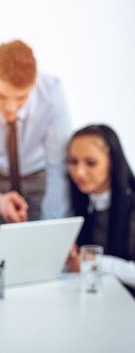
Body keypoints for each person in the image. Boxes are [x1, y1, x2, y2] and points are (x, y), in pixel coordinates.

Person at [0, 39, 71, 235]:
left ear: (34, 84)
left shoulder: (52, 93)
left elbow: (58, 168)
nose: (11, 108)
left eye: (21, 98)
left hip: (39, 178)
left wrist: (53, 231)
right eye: (1, 96)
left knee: (43, 238)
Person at [65, 125, 135, 296]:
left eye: (91, 163)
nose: (79, 172)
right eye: (73, 162)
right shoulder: (79, 204)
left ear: (112, 162)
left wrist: (93, 261)